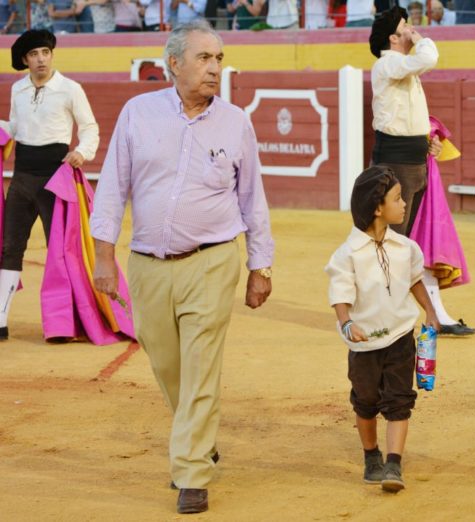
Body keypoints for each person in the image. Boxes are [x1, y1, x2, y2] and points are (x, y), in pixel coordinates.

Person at [90, 20, 274, 515]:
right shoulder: (137, 113)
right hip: (147, 264)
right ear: (174, 64)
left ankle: (191, 470)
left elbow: (252, 197)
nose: (216, 68)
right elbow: (112, 187)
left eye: (219, 58)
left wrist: (262, 265)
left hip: (212, 261)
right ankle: (197, 435)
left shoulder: (235, 121)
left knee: (199, 368)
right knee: (167, 364)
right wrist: (104, 255)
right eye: (205, 58)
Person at [325, 165, 439, 493]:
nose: (404, 204)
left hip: (401, 336)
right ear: (377, 208)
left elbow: (415, 280)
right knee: (366, 400)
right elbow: (340, 296)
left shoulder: (405, 248)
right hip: (364, 344)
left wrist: (430, 312)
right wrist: (347, 324)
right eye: (397, 198)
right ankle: (371, 455)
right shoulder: (347, 255)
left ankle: (394, 463)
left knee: (399, 399)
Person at [369, 5, 475, 337]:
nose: (412, 29)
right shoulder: (388, 63)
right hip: (397, 165)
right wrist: (421, 38)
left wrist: (427, 143)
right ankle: (380, 315)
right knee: (392, 244)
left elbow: (409, 117)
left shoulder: (402, 70)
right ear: (393, 36)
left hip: (414, 163)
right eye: (406, 26)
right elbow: (428, 57)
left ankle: (436, 315)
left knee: (415, 245)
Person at [0, 29, 99, 341]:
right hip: (22, 177)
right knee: (9, 248)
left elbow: (89, 127)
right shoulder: (18, 90)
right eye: (34, 54)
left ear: (51, 54)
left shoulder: (70, 89)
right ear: (26, 60)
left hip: (56, 178)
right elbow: (14, 127)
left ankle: (63, 323)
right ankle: (0, 320)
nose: (41, 59)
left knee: (60, 250)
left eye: (45, 52)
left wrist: (82, 152)